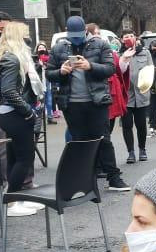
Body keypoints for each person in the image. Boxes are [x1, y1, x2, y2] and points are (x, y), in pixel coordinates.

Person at [47, 16, 128, 192]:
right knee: (79, 142)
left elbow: (110, 69)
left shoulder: (100, 44)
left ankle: (113, 178)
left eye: (79, 35)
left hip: (96, 101)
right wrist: (61, 71)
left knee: (103, 140)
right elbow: (48, 73)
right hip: (71, 103)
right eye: (72, 35)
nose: (76, 39)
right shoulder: (59, 47)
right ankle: (84, 181)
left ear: (85, 31)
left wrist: (90, 66)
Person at [0, 22, 45, 217]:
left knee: (14, 157)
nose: (28, 38)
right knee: (25, 158)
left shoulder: (8, 58)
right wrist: (28, 112)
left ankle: (14, 200)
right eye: (25, 35)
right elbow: (10, 91)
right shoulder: (13, 59)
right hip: (15, 113)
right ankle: (12, 200)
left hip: (10, 113)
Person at [118, 32, 152, 164]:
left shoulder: (145, 53)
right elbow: (117, 72)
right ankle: (130, 152)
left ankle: (142, 149)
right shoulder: (120, 54)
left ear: (136, 38)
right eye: (125, 36)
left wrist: (147, 86)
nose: (128, 38)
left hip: (141, 94)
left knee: (141, 124)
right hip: (126, 95)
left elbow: (150, 70)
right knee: (127, 125)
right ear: (122, 40)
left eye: (131, 36)